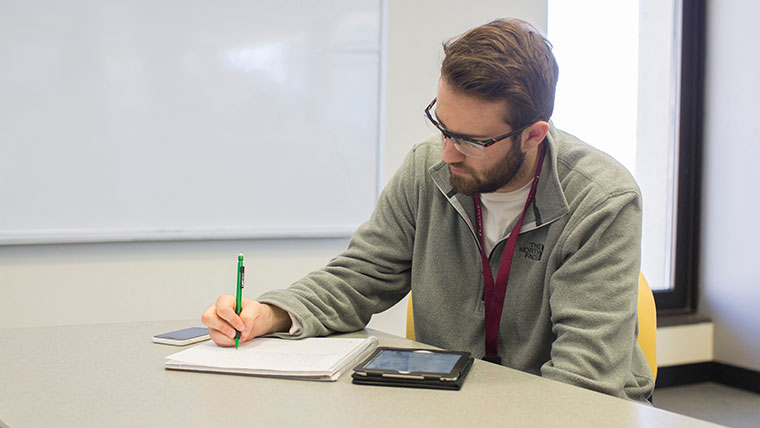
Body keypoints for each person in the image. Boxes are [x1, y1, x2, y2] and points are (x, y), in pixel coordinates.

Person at [202, 18, 654, 402]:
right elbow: (359, 275)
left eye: (473, 141)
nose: (448, 154)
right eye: (442, 126)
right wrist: (271, 313)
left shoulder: (602, 202)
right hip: (454, 400)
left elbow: (582, 385)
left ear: (534, 135)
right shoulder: (427, 169)